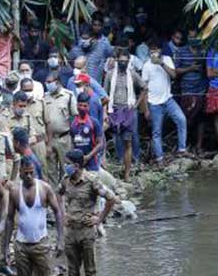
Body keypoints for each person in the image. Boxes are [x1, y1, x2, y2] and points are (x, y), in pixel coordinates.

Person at [3, 157, 63, 276]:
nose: (29, 176)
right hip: (21, 246)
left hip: (41, 245)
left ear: (34, 172)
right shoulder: (15, 191)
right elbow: (8, 220)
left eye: (31, 173)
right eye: (25, 173)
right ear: (20, 172)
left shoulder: (44, 188)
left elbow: (58, 212)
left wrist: (60, 240)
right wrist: (5, 248)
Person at [58, 149, 117, 276]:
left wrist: (99, 219)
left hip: (86, 232)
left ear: (76, 166)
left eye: (68, 163)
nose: (65, 166)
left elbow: (111, 198)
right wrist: (63, 214)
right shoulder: (65, 180)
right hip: (71, 232)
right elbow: (58, 195)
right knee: (73, 272)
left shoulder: (92, 181)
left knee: (90, 272)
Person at [142, 40, 188, 164]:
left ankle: (182, 149)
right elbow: (144, 89)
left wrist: (161, 63)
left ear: (160, 50)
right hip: (154, 103)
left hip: (168, 99)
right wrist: (146, 109)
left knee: (181, 119)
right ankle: (160, 158)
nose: (154, 52)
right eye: (151, 50)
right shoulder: (146, 66)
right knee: (157, 132)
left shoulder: (167, 59)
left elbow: (173, 75)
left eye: (156, 49)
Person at [104, 47, 145, 181]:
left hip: (128, 110)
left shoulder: (132, 74)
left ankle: (127, 173)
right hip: (114, 110)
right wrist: (105, 112)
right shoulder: (110, 74)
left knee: (128, 141)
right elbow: (105, 94)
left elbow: (144, 88)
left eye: (125, 61)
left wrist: (137, 105)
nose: (123, 63)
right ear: (117, 61)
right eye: (121, 61)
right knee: (117, 140)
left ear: (128, 61)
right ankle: (120, 164)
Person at [176, 29, 207, 155]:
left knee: (200, 119)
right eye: (191, 36)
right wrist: (190, 68)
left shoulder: (202, 51)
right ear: (187, 37)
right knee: (186, 120)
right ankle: (187, 145)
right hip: (186, 91)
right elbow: (176, 71)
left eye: (195, 37)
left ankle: (198, 146)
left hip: (200, 90)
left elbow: (206, 69)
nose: (193, 39)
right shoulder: (180, 51)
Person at [44, 72, 78, 183]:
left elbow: (75, 116)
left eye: (50, 82)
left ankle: (64, 195)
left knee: (66, 168)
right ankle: (53, 195)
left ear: (57, 82)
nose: (47, 84)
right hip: (49, 139)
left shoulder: (68, 96)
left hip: (64, 138)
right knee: (51, 170)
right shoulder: (45, 97)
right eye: (46, 82)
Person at [70, 15, 114, 82]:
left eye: (99, 25)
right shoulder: (83, 39)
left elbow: (110, 55)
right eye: (95, 25)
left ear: (102, 26)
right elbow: (74, 55)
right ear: (92, 26)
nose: (97, 27)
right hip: (81, 76)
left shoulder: (105, 42)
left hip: (96, 78)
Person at [19, 76, 48, 171]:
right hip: (23, 145)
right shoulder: (17, 106)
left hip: (39, 143)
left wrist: (48, 143)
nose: (28, 92)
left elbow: (48, 123)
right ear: (21, 90)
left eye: (30, 90)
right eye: (26, 90)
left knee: (42, 169)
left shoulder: (40, 103)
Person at [70, 92, 104, 172]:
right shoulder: (72, 122)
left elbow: (100, 143)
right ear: (77, 105)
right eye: (80, 105)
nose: (82, 108)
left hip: (92, 162)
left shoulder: (94, 122)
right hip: (77, 163)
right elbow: (71, 142)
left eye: (85, 106)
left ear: (89, 106)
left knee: (93, 182)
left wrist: (88, 156)